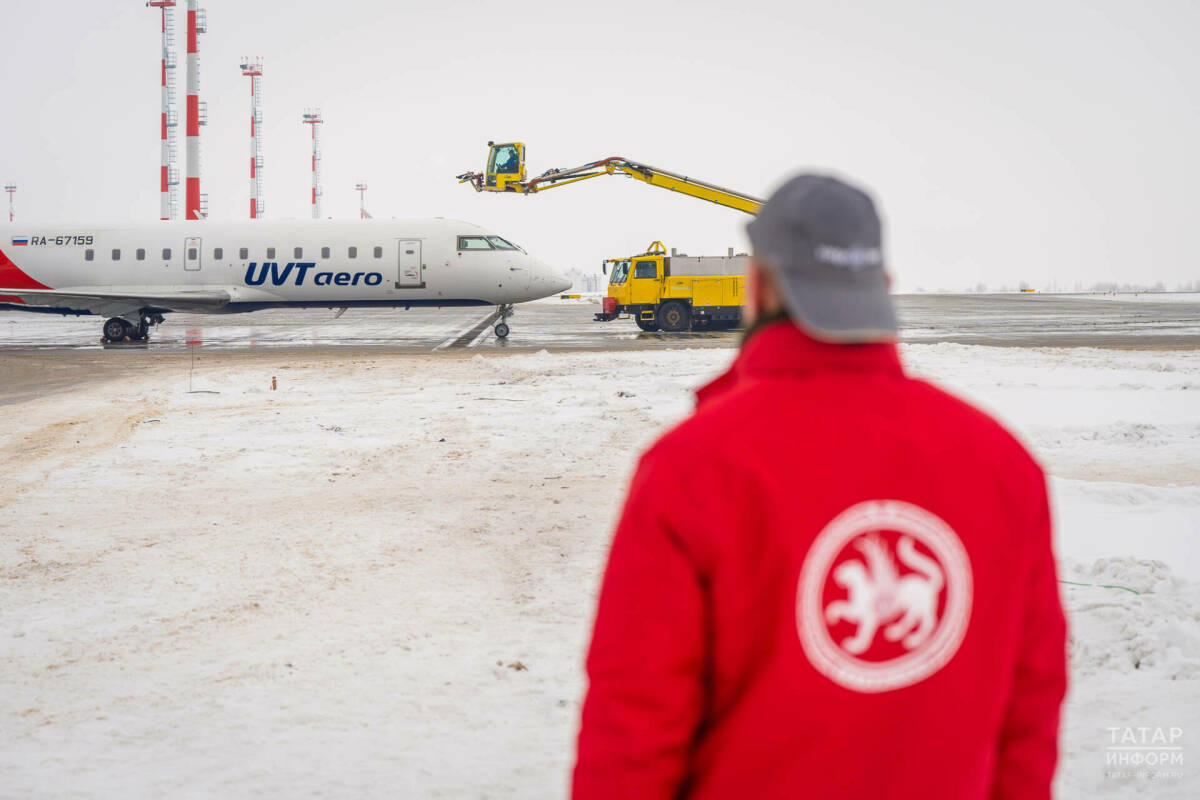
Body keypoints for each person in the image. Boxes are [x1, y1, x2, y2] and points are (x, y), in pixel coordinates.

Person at [573, 174, 1068, 799]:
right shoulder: (1004, 464)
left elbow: (634, 730)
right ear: (881, 290)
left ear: (757, 286)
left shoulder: (692, 467)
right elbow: (1030, 714)